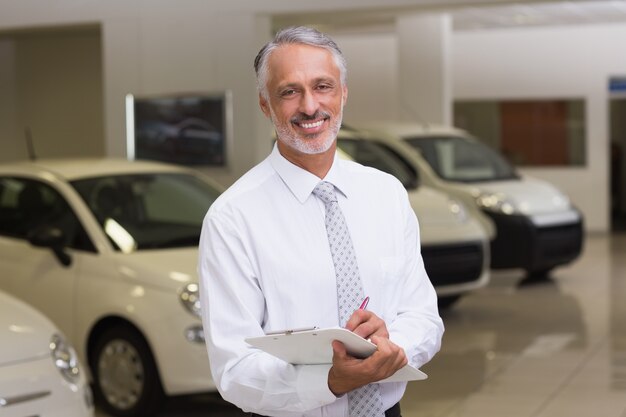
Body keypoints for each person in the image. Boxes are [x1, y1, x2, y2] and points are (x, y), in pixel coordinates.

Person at [198, 26, 444, 417]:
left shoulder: (387, 194)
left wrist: (390, 347)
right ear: (265, 104)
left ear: (343, 93)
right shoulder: (233, 218)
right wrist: (329, 381)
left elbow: (424, 317)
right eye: (289, 91)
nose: (310, 106)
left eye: (323, 86)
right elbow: (234, 371)